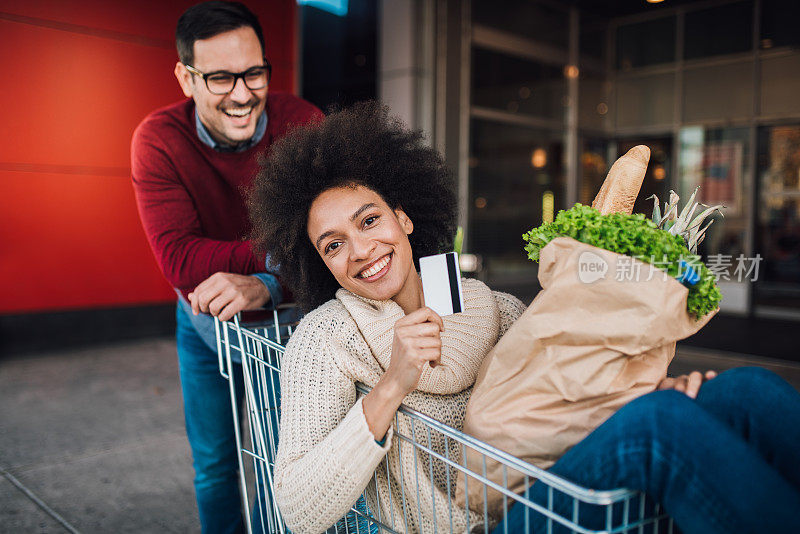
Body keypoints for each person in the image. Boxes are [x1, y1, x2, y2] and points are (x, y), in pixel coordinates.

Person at [247, 101, 800, 534]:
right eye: (333, 244)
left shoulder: (488, 305)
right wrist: (390, 387)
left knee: (743, 391)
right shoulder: (326, 342)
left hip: (542, 490)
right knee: (660, 428)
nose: (362, 249)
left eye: (370, 220)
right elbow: (297, 508)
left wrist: (652, 386)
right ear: (320, 263)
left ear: (405, 217)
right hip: (477, 526)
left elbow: (563, 387)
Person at [130, 2, 322, 532]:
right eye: (219, 77)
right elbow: (179, 258)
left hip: (286, 322)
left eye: (254, 72)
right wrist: (282, 254)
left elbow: (331, 244)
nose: (242, 95)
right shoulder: (158, 140)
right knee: (215, 467)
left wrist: (265, 283)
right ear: (185, 78)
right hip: (200, 319)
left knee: (284, 465)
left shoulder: (304, 126)